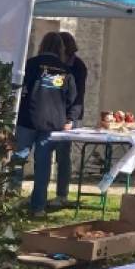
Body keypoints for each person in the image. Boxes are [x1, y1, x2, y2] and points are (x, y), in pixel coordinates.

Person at [16, 31, 78, 218]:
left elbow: (19, 87)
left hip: (28, 118)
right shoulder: (65, 69)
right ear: (60, 48)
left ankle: (9, 199)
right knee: (43, 165)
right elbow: (71, 97)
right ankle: (38, 207)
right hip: (53, 122)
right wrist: (66, 116)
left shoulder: (31, 64)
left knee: (18, 160)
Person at [47, 31, 90, 210]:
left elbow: (78, 96)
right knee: (44, 152)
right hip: (49, 114)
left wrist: (71, 118)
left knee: (63, 156)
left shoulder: (78, 67)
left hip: (67, 116)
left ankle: (61, 194)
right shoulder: (52, 64)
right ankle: (41, 191)